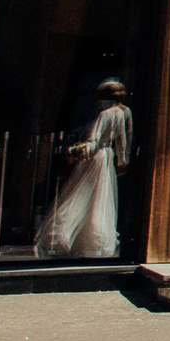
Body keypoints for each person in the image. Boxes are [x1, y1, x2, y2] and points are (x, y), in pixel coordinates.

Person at [34, 79, 134, 260]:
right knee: (100, 197)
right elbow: (122, 140)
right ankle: (96, 237)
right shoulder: (122, 114)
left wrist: (78, 150)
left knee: (80, 193)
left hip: (95, 156)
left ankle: (66, 235)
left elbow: (93, 139)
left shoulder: (104, 115)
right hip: (107, 156)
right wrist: (123, 160)